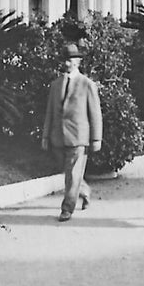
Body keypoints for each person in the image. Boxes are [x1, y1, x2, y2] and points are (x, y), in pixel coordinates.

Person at [41, 43, 102, 222]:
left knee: (73, 173)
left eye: (71, 60)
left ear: (78, 61)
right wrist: (45, 136)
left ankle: (67, 208)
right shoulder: (55, 85)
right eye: (65, 60)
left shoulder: (87, 84)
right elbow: (50, 112)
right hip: (58, 137)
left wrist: (96, 138)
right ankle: (84, 190)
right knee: (69, 173)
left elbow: (95, 113)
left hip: (79, 138)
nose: (67, 63)